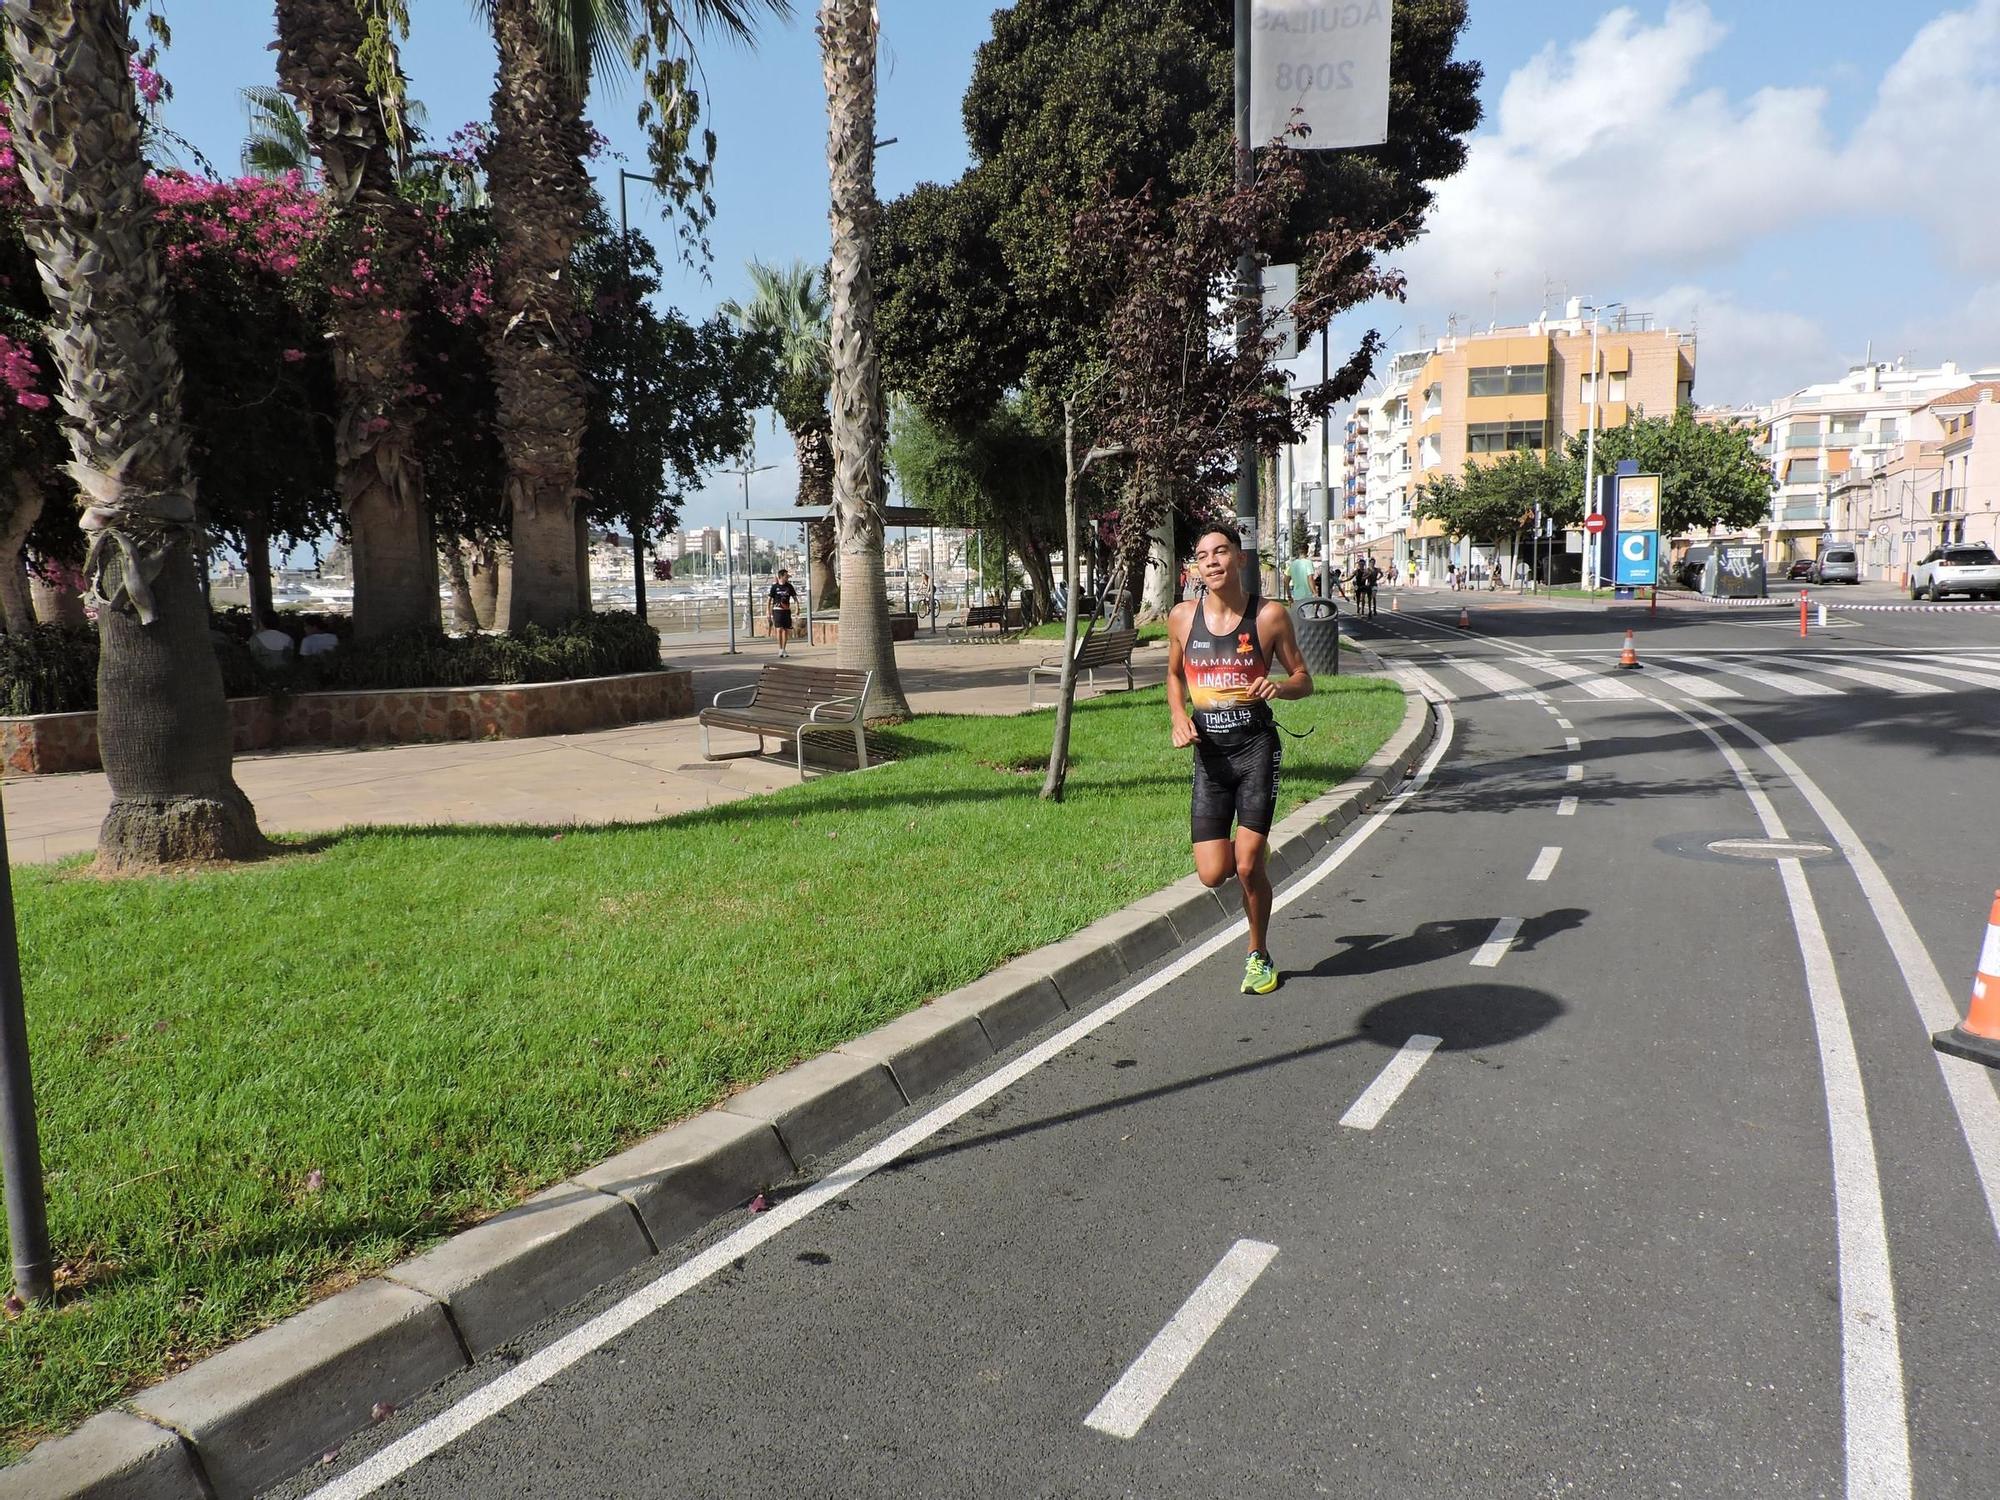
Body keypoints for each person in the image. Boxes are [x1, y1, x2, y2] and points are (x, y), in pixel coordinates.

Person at [1166, 524, 1313, 995]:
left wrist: (1280, 687)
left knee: (1248, 868)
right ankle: (1251, 849)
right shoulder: (1182, 618)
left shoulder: (1269, 617)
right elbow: (1171, 675)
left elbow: (1303, 677)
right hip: (1209, 756)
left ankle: (1258, 954)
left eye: (1221, 552)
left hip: (1255, 749)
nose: (1211, 561)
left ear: (1240, 559)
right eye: (1203, 554)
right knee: (1213, 873)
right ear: (1196, 566)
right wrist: (1177, 716)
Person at [767, 568, 799, 658]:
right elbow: (769, 600)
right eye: (786, 576)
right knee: (779, 629)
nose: (787, 578)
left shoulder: (789, 586)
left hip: (786, 610)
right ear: (781, 577)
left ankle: (784, 649)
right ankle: (780, 649)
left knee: (785, 630)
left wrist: (797, 608)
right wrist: (768, 611)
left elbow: (795, 598)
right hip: (777, 610)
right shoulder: (774, 587)